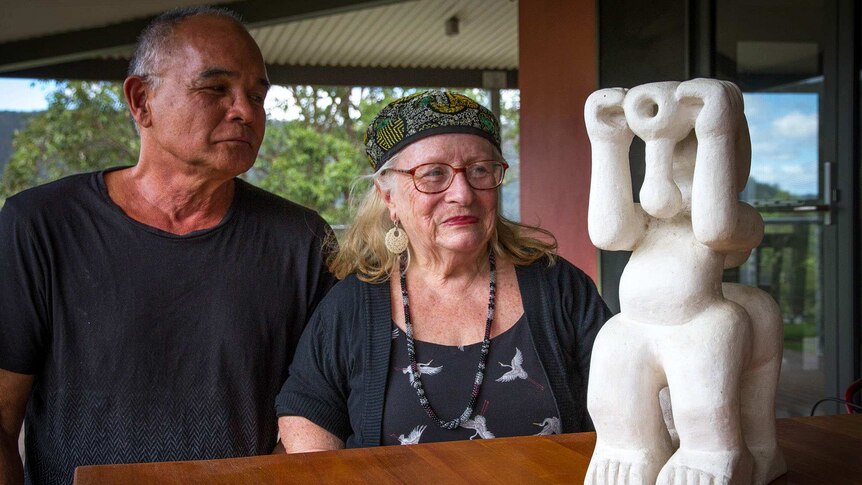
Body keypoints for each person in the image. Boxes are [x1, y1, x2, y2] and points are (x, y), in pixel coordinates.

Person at [0, 7, 335, 485]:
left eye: (257, 95)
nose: (245, 110)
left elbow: (321, 411)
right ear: (142, 102)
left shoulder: (301, 241)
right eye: (215, 89)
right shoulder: (40, 226)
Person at [275, 90, 610, 451]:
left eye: (480, 170)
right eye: (434, 174)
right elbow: (307, 420)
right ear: (389, 196)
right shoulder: (351, 307)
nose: (462, 193)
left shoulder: (560, 290)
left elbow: (630, 405)